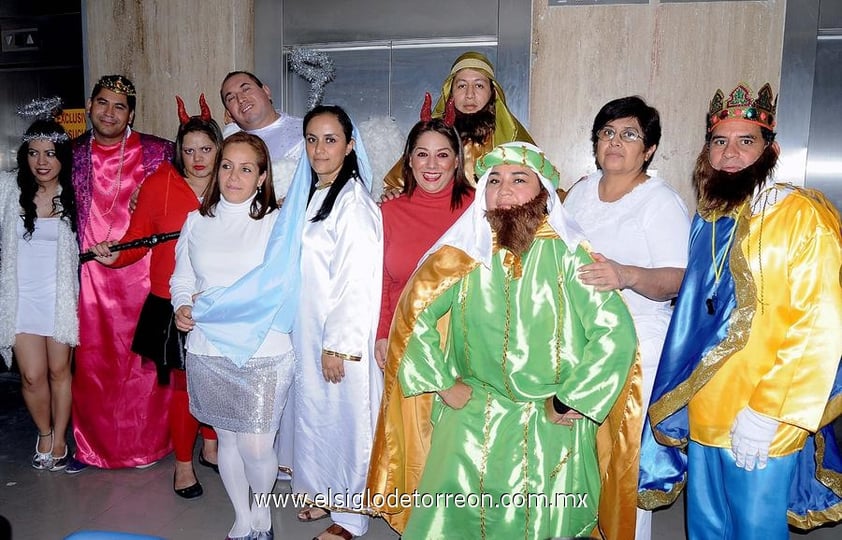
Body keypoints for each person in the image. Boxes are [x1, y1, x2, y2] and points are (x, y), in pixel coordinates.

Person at [374, 141, 639, 539]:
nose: (504, 189)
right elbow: (414, 318)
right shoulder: (465, 254)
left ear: (543, 192)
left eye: (519, 179)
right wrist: (445, 385)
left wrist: (573, 399)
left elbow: (614, 334)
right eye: (494, 180)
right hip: (473, 410)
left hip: (549, 417)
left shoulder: (571, 256)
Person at [638, 82, 842, 539]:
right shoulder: (709, 219)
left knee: (755, 530)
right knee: (706, 529)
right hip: (707, 409)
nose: (730, 153)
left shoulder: (801, 215)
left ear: (771, 149)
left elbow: (821, 323)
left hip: (764, 415)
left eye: (745, 141)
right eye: (719, 141)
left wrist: (770, 411)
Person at [563, 96, 690, 540]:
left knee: (622, 458)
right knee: (578, 453)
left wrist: (626, 274)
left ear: (649, 148)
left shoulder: (659, 202)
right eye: (607, 133)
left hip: (638, 342)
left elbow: (678, 279)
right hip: (582, 341)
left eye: (629, 134)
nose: (616, 142)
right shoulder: (580, 192)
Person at [89, 95, 222, 498]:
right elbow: (136, 242)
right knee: (184, 386)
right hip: (174, 304)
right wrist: (113, 256)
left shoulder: (233, 182)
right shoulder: (159, 184)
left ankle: (211, 445)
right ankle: (184, 465)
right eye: (189, 150)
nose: (197, 158)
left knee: (220, 381)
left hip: (224, 302)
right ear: (178, 152)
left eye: (206, 149)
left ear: (220, 149)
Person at [170, 132, 290, 540]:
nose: (234, 176)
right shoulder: (196, 221)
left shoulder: (278, 223)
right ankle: (242, 517)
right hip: (209, 348)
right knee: (228, 442)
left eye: (246, 169)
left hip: (264, 349)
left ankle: (263, 513)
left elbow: (281, 286)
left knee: (257, 446)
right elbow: (182, 278)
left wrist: (214, 300)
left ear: (261, 177)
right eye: (227, 166)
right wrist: (182, 305)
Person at [365, 103, 474, 531]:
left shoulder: (477, 209)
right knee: (414, 437)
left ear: (457, 160)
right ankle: (417, 518)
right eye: (422, 154)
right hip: (407, 339)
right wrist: (381, 333)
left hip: (466, 341)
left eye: (442, 154)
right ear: (408, 160)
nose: (432, 165)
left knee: (457, 439)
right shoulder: (388, 212)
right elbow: (384, 282)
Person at [68, 75, 174, 473]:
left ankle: (148, 444)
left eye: (119, 106)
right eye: (102, 103)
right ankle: (91, 445)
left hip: (143, 275)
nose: (109, 112)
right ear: (90, 105)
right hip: (90, 278)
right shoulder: (72, 153)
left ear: (131, 113)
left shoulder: (159, 152)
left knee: (143, 365)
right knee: (93, 364)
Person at [291, 105, 383, 540]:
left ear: (349, 146)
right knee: (318, 417)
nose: (320, 149)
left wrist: (338, 343)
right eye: (312, 139)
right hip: (311, 328)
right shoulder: (315, 194)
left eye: (331, 140)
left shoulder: (353, 203)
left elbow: (357, 278)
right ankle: (325, 491)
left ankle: (350, 516)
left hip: (340, 337)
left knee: (348, 421)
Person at [0, 106, 78, 472]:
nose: (42, 161)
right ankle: (43, 432)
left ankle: (60, 437)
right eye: (34, 153)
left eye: (50, 153)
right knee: (31, 375)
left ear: (62, 156)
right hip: (20, 299)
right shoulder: (8, 190)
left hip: (60, 298)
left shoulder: (77, 194)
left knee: (59, 371)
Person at [384, 51, 534, 189]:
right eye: (462, 86)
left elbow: (541, 185)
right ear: (450, 92)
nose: (470, 94)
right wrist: (392, 192)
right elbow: (396, 183)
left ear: (493, 92)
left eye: (479, 85)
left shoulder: (511, 136)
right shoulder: (434, 136)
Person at [220, 70, 303, 200]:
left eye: (246, 89)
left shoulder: (307, 131)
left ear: (266, 91)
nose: (241, 99)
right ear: (229, 113)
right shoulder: (225, 148)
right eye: (231, 98)